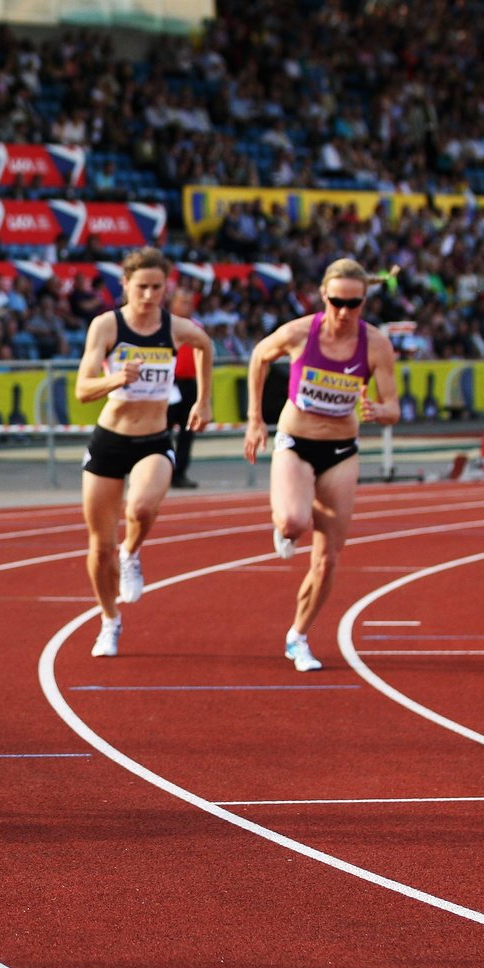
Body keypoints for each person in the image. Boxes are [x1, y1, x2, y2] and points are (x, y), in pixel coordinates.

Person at [243, 258, 399, 672]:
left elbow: (394, 408)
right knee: (294, 522)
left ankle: (298, 636)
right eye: (336, 302)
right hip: (296, 442)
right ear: (323, 297)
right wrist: (255, 420)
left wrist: (378, 410)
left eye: (354, 304)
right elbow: (259, 356)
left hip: (342, 450)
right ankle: (285, 526)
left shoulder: (377, 344)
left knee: (328, 557)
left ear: (365, 301)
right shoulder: (299, 333)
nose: (344, 312)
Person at [75, 249, 214, 658]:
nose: (150, 295)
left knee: (140, 509)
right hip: (109, 439)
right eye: (142, 287)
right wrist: (116, 377)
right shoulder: (106, 326)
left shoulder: (174, 328)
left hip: (154, 439)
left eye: (157, 287)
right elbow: (83, 389)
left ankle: (132, 551)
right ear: (126, 285)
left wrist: (203, 402)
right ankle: (109, 620)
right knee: (99, 548)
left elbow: (205, 344)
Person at [167, 283, 206, 489]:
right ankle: (163, 472)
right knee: (161, 432)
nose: (187, 306)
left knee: (187, 432)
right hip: (168, 385)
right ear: (172, 303)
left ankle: (180, 473)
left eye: (190, 303)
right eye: (183, 302)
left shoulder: (196, 327)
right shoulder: (164, 325)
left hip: (190, 384)